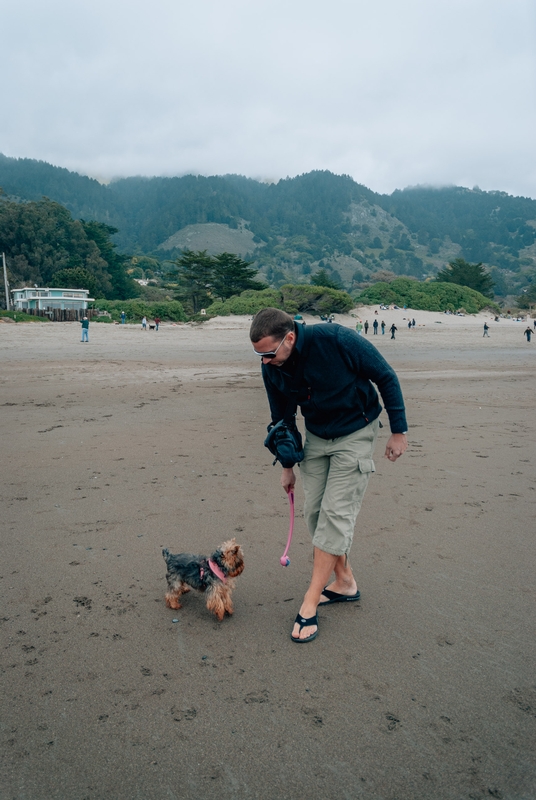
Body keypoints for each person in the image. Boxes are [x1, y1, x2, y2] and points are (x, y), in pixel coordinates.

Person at [249, 308, 408, 643]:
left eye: (268, 353)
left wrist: (398, 431)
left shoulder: (335, 339)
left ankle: (310, 602)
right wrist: (287, 466)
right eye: (258, 355)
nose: (263, 361)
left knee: (335, 515)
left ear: (289, 338)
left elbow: (386, 376)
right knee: (315, 515)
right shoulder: (272, 367)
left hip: (356, 431)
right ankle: (345, 582)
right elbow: (282, 418)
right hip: (318, 437)